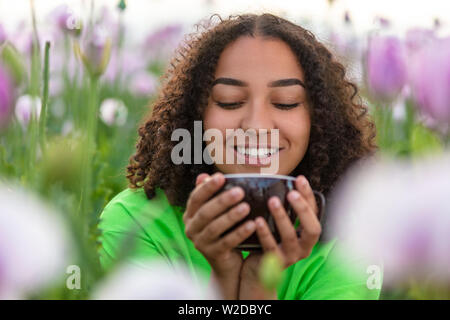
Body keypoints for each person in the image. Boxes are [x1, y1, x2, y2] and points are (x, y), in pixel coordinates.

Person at [98, 13, 380, 300]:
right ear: (196, 115)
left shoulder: (352, 238)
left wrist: (258, 286)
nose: (256, 126)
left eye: (286, 103)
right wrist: (222, 281)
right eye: (229, 101)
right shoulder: (136, 222)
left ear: (320, 120)